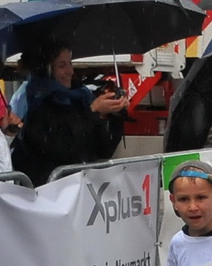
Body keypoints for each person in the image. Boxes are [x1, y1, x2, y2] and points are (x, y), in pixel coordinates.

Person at [11, 41, 128, 185]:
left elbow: (101, 151)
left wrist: (113, 114)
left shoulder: (80, 96)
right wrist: (93, 112)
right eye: (61, 66)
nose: (70, 71)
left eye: (70, 64)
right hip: (49, 191)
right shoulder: (36, 102)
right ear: (46, 70)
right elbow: (64, 150)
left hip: (80, 189)